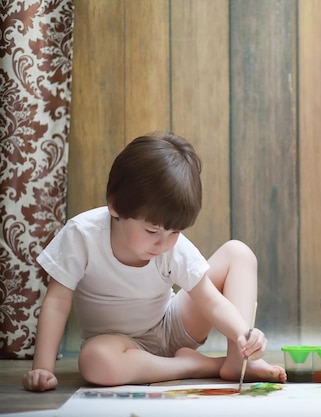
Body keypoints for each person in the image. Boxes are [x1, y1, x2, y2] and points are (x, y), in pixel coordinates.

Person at [23, 132, 286, 392]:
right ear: (115, 206)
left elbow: (210, 300)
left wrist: (244, 333)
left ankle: (239, 359)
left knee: (238, 253)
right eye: (152, 231)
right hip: (119, 345)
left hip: (171, 326)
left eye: (175, 232)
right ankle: (194, 366)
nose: (165, 243)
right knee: (94, 361)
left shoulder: (172, 247)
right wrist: (43, 368)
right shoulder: (82, 235)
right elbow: (57, 302)